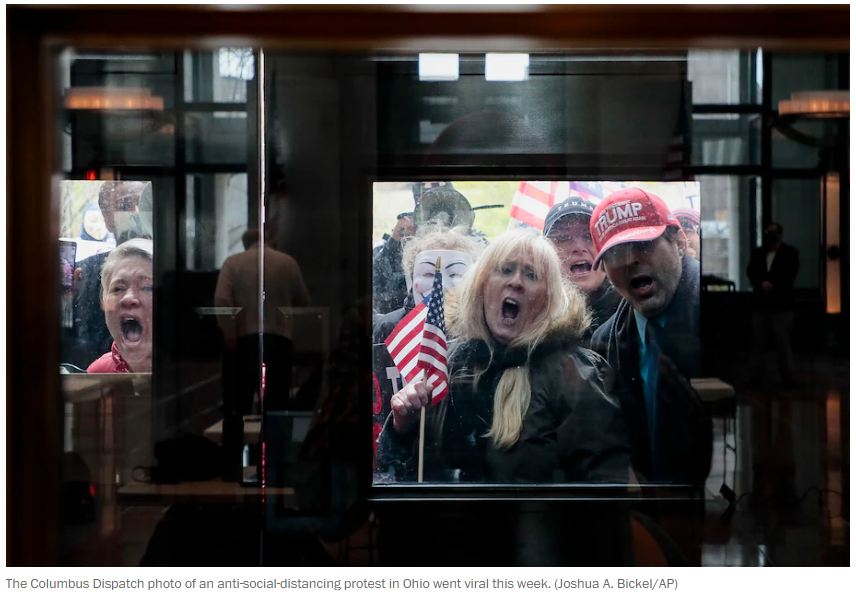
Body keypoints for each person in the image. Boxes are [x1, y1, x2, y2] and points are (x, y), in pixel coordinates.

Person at [378, 230, 630, 483]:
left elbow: (604, 485)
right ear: (482, 285)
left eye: (531, 275)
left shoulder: (574, 372)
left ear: (546, 298)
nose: (517, 282)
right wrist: (403, 427)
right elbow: (401, 474)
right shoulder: (448, 362)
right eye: (506, 270)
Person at [589, 188, 711, 486]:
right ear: (603, 269)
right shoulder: (605, 343)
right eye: (616, 253)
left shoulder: (722, 317)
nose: (630, 261)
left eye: (643, 244)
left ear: (680, 243)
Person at [215, 228, 311, 413]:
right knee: (276, 404)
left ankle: (240, 440)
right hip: (279, 338)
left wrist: (229, 331)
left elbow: (222, 299)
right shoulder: (287, 263)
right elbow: (303, 300)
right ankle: (274, 440)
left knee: (238, 402)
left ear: (245, 243)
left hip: (243, 340)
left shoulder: (233, 263)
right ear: (267, 239)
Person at [69, 182, 151, 369]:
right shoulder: (85, 275)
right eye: (125, 206)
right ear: (107, 218)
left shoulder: (173, 268)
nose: (137, 213)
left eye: (147, 286)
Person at [372, 186, 476, 316]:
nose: (441, 285)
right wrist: (394, 244)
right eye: (428, 274)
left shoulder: (474, 245)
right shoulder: (403, 246)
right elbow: (379, 294)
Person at [543, 197, 622, 340]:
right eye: (563, 238)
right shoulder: (531, 319)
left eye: (590, 236)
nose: (579, 248)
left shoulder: (632, 312)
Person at [87, 239, 154, 373]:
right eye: (118, 289)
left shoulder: (197, 372)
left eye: (146, 287)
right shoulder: (99, 374)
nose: (128, 298)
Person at [746, 222, 799, 388]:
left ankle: (787, 379)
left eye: (773, 233)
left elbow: (790, 274)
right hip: (761, 304)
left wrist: (773, 285)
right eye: (768, 232)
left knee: (782, 342)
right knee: (758, 343)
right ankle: (757, 379)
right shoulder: (758, 252)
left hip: (782, 305)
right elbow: (751, 271)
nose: (770, 235)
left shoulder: (790, 253)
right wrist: (761, 283)